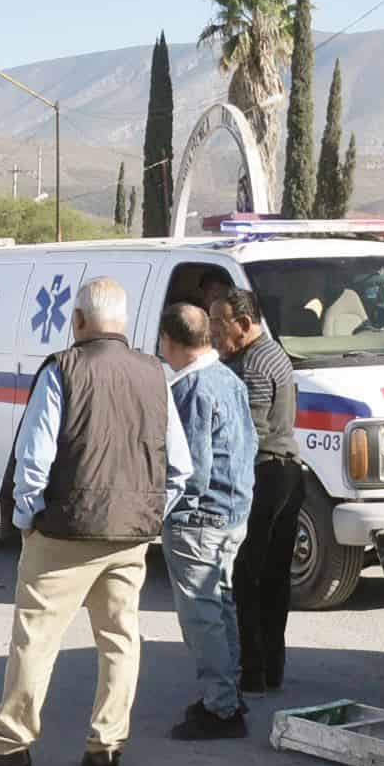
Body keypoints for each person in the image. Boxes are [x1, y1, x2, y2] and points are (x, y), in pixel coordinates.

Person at [0, 277, 191, 766]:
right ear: (124, 323)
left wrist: (26, 519)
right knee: (120, 640)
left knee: (36, 639)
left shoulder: (62, 369)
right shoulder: (156, 374)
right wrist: (151, 512)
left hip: (63, 531)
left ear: (79, 322)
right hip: (130, 535)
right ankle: (106, 745)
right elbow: (180, 466)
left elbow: (34, 460)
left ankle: (11, 746)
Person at [157, 300, 255, 740]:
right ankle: (229, 694)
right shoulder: (227, 377)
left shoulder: (192, 387)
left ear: (170, 341)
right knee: (222, 607)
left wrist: (160, 512)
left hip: (201, 517)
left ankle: (221, 707)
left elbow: (189, 470)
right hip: (232, 509)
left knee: (202, 617)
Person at [213, 290, 300, 695]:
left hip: (264, 476)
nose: (213, 334)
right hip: (285, 475)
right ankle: (270, 668)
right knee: (273, 579)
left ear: (244, 324)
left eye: (220, 325)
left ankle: (252, 671)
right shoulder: (271, 354)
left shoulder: (252, 365)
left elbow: (252, 432)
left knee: (248, 577)